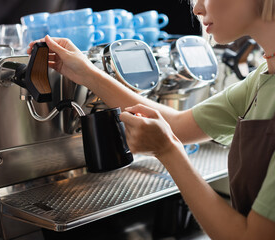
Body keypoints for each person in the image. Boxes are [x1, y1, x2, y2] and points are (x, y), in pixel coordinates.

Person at [27, 0, 275, 238]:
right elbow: (179, 125)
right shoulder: (263, 76)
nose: (198, 9)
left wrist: (167, 150)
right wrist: (85, 71)